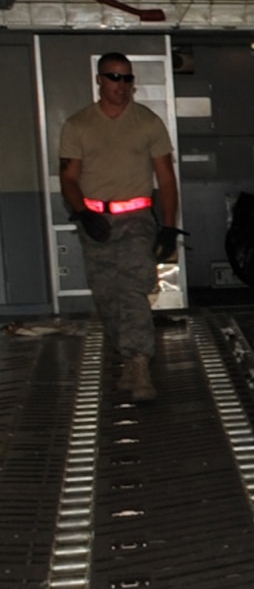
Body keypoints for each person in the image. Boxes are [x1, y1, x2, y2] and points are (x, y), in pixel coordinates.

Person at [58, 53, 182, 403]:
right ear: (99, 80)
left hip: (136, 220)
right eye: (114, 77)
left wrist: (169, 227)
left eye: (127, 79)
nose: (121, 85)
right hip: (96, 220)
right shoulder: (78, 124)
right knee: (107, 295)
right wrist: (83, 213)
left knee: (131, 290)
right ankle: (128, 359)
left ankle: (139, 362)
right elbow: (68, 177)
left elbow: (166, 179)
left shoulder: (147, 123)